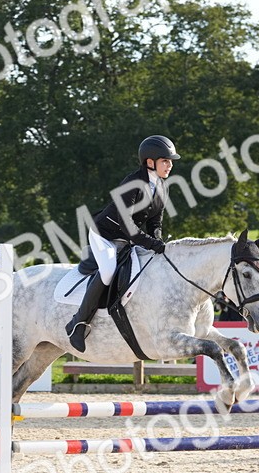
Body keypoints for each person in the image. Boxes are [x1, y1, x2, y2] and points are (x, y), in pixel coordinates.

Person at [67, 135, 178, 352]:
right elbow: (126, 224)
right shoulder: (132, 183)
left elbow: (155, 222)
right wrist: (149, 243)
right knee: (108, 270)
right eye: (165, 160)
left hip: (128, 238)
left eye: (170, 161)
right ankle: (78, 323)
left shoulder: (163, 187)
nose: (170, 165)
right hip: (105, 234)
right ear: (150, 162)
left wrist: (158, 241)